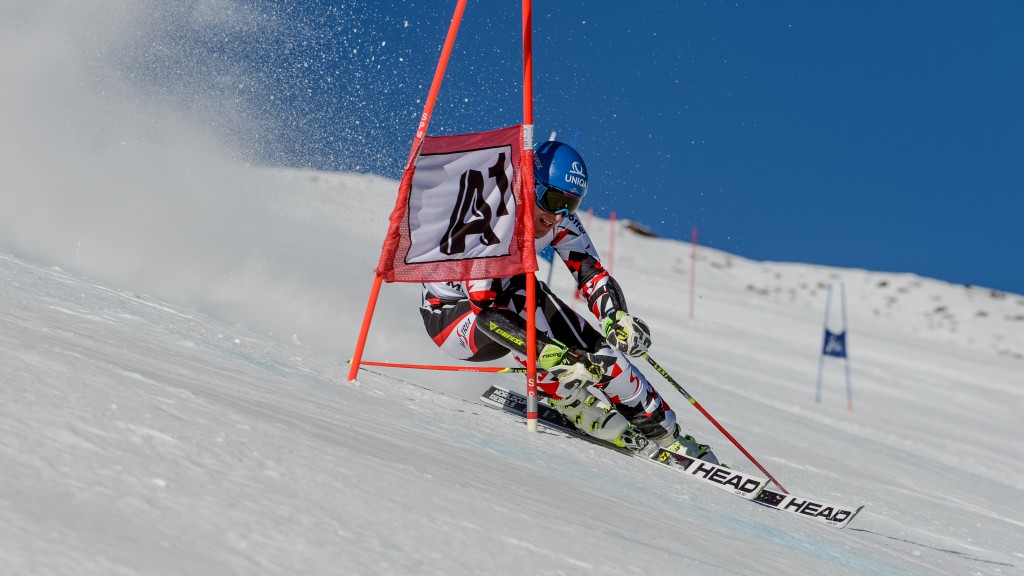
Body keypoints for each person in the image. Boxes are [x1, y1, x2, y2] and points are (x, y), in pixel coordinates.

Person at [418, 140, 718, 463]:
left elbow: (590, 274)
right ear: (529, 184)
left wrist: (616, 317)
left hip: (508, 300)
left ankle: (666, 432)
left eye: (570, 204)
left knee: (600, 352)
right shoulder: (493, 220)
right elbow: (487, 314)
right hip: (452, 319)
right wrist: (550, 354)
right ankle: (570, 400)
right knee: (525, 302)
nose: (557, 215)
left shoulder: (558, 220)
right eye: (553, 199)